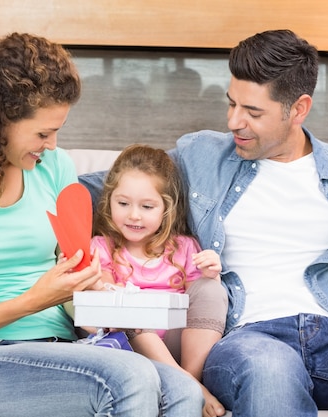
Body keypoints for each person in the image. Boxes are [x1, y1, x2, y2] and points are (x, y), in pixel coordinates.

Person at [80, 29, 328, 416]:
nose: (233, 121)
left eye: (253, 112)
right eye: (232, 104)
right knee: (271, 375)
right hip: (249, 337)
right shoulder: (201, 155)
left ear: (298, 109)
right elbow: (101, 189)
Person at [0, 32, 203, 417]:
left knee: (184, 393)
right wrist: (31, 302)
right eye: (42, 133)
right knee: (129, 378)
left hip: (61, 345)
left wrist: (98, 289)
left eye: (57, 131)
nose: (52, 145)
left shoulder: (54, 169)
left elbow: (78, 270)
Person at [91, 144, 228, 417]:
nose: (133, 215)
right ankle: (190, 386)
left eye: (147, 206)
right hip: (129, 345)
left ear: (167, 208)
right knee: (121, 302)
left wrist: (211, 272)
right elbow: (103, 290)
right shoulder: (102, 246)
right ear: (109, 201)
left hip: (179, 344)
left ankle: (186, 378)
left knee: (211, 288)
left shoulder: (185, 247)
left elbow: (198, 303)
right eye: (123, 203)